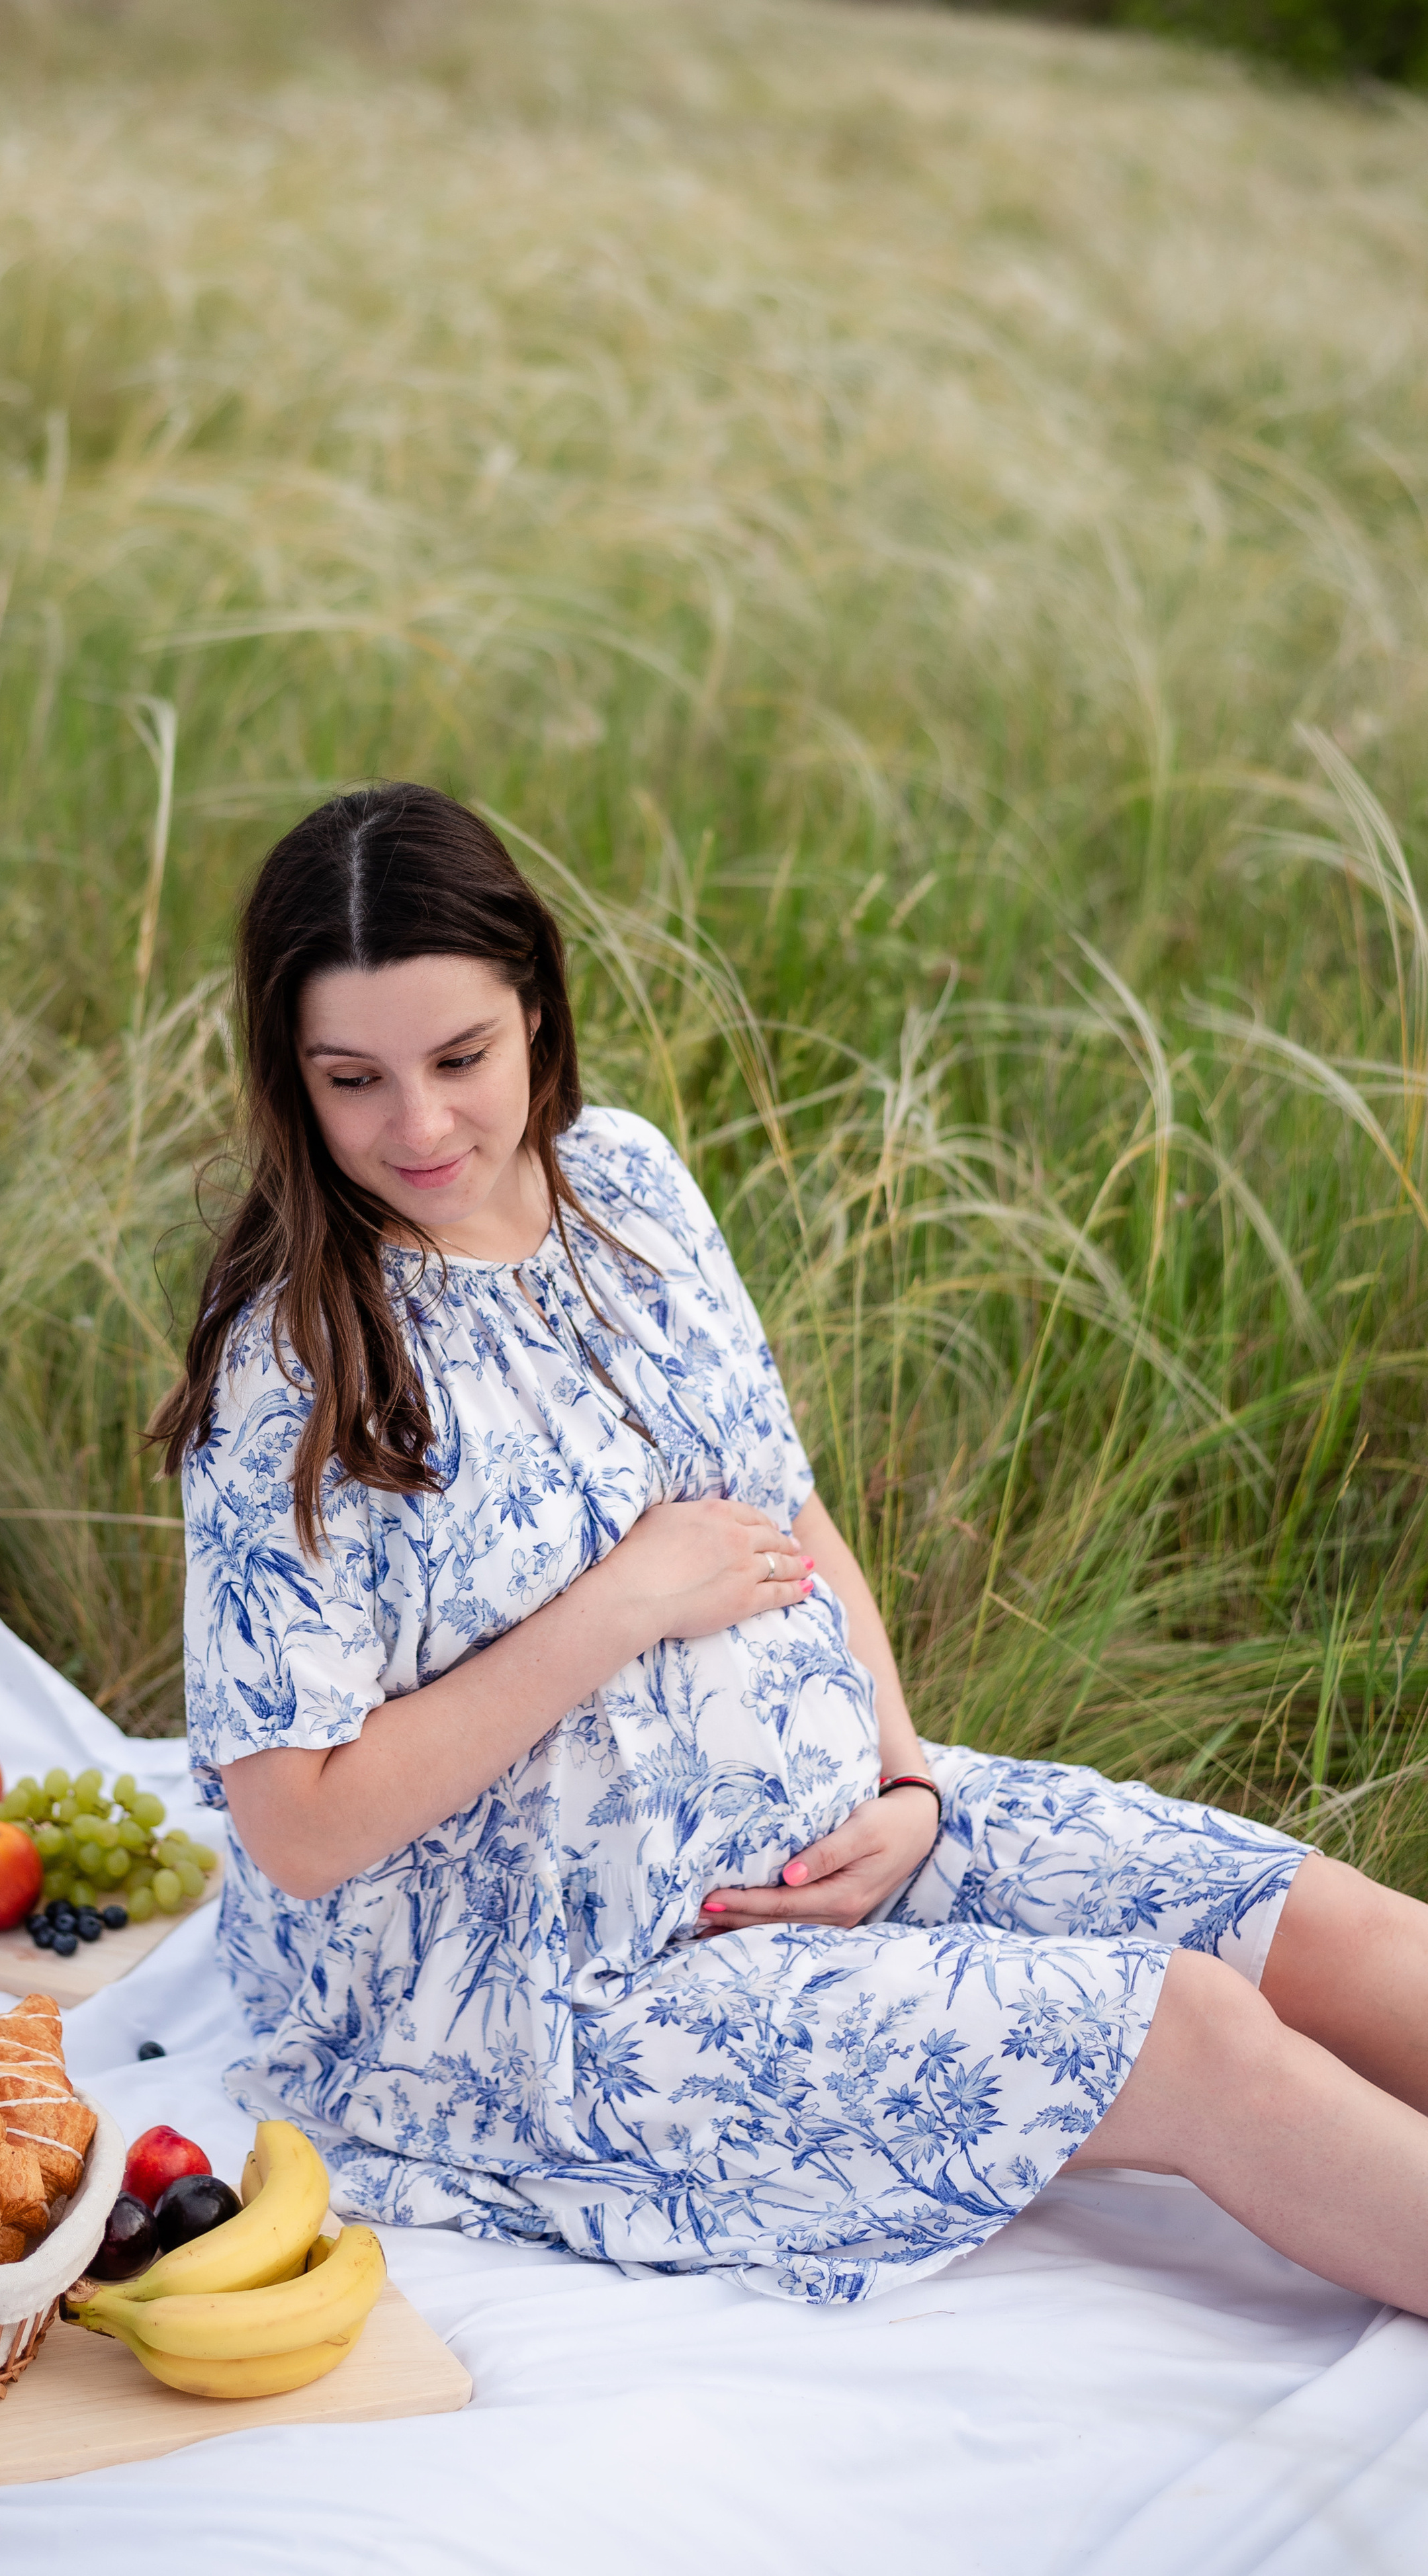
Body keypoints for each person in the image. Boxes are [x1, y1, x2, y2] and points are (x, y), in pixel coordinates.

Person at [154, 780, 1428, 2311]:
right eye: (353, 1078)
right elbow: (293, 1825)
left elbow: (787, 1510)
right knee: (1197, 2035)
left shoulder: (621, 1181)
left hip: (847, 1827)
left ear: (538, 1015)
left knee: (1321, 1930)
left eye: (459, 1058)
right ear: (292, 1079)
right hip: (566, 1986)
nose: (418, 1126)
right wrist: (614, 1607)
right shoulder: (289, 1368)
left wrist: (899, 1782)